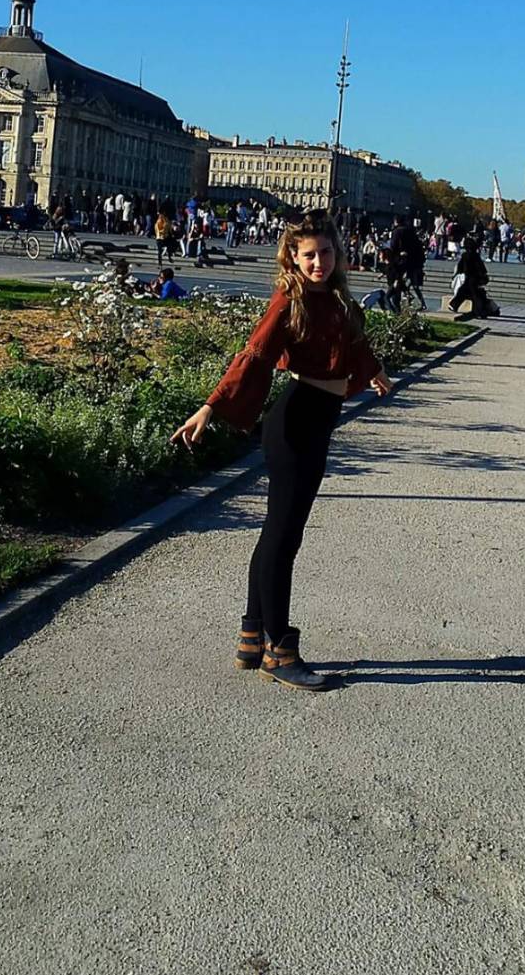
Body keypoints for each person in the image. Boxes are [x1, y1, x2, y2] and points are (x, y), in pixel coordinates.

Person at [170, 212, 391, 693]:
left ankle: (252, 636)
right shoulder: (289, 300)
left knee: (279, 535)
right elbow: (255, 354)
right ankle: (280, 649)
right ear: (292, 255)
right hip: (295, 424)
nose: (318, 262)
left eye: (326, 253)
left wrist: (371, 370)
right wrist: (211, 407)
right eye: (308, 254)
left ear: (338, 253)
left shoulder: (335, 298)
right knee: (283, 539)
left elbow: (352, 342)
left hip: (317, 422)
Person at [448, 237, 498, 317]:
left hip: (469, 277)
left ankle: (454, 305)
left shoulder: (465, 255)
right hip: (476, 278)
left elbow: (461, 267)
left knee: (466, 293)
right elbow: (481, 268)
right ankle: (479, 311)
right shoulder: (476, 256)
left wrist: (457, 274)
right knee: (474, 295)